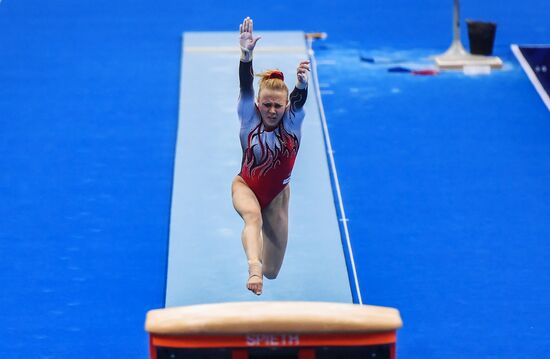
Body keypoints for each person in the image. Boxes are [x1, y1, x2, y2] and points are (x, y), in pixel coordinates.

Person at [232, 17, 310, 295]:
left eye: (278, 105)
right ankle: (253, 268)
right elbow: (245, 87)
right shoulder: (248, 118)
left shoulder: (292, 124)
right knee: (253, 218)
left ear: (286, 105)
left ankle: (261, 265)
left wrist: (301, 86)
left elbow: (300, 103)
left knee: (273, 271)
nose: (272, 110)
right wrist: (246, 57)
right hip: (246, 186)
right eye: (267, 104)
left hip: (278, 196)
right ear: (258, 104)